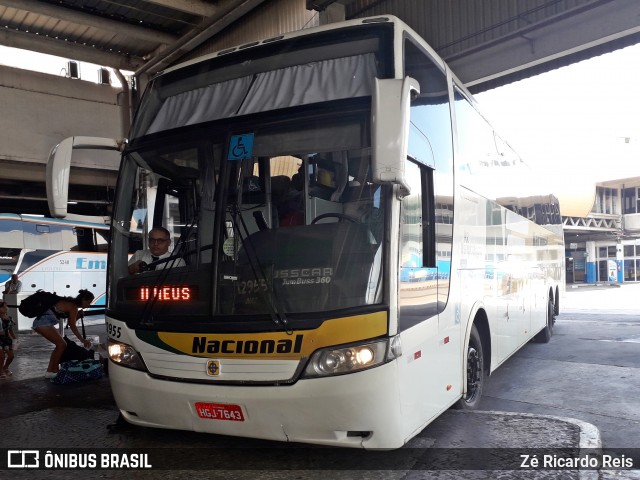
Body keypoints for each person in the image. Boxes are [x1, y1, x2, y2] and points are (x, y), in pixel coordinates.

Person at [32, 289, 94, 379]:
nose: (89, 305)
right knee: (62, 344)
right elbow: (72, 325)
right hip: (42, 323)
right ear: (84, 300)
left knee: (60, 345)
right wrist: (82, 340)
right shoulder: (73, 307)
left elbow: (70, 323)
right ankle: (55, 370)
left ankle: (50, 371)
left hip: (43, 322)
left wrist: (77, 315)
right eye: (89, 302)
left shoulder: (71, 304)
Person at [0, 300, 17, 379]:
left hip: (7, 339)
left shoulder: (9, 318)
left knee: (11, 356)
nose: (6, 308)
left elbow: (10, 330)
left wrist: (15, 339)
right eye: (3, 307)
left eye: (6, 306)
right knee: (1, 356)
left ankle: (5, 367)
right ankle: (0, 371)